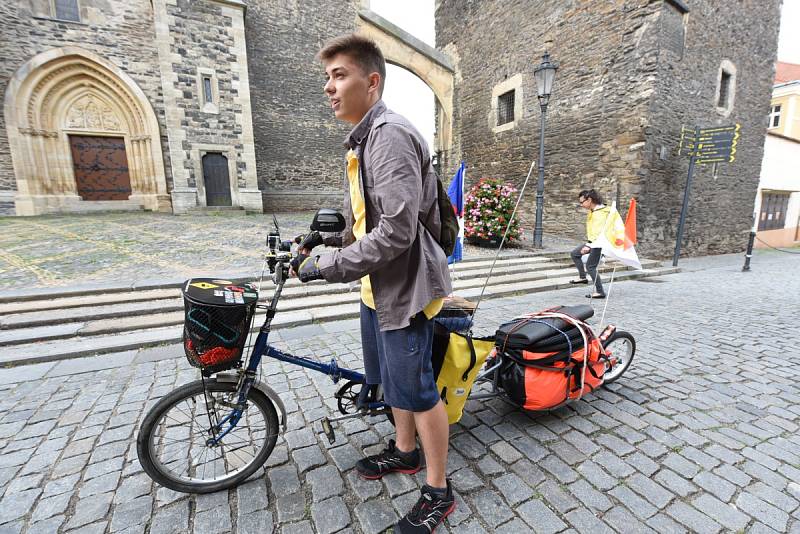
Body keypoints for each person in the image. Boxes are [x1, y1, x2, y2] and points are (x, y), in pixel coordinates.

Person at [289, 34, 455, 533]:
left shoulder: (390, 137)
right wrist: (322, 238)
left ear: (372, 81)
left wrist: (328, 265)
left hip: (405, 287)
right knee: (392, 382)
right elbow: (365, 219)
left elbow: (398, 232)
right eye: (328, 77)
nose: (329, 87)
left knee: (419, 389)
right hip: (376, 290)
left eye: (339, 76)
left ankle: (439, 489)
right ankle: (404, 452)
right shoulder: (364, 139)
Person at [570, 189, 611, 299]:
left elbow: (598, 232)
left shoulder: (600, 213)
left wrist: (588, 246)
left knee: (590, 266)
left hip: (598, 243)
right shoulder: (594, 211)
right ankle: (583, 277)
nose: (581, 204)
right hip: (593, 241)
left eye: (582, 202)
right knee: (575, 254)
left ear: (589, 200)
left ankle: (600, 292)